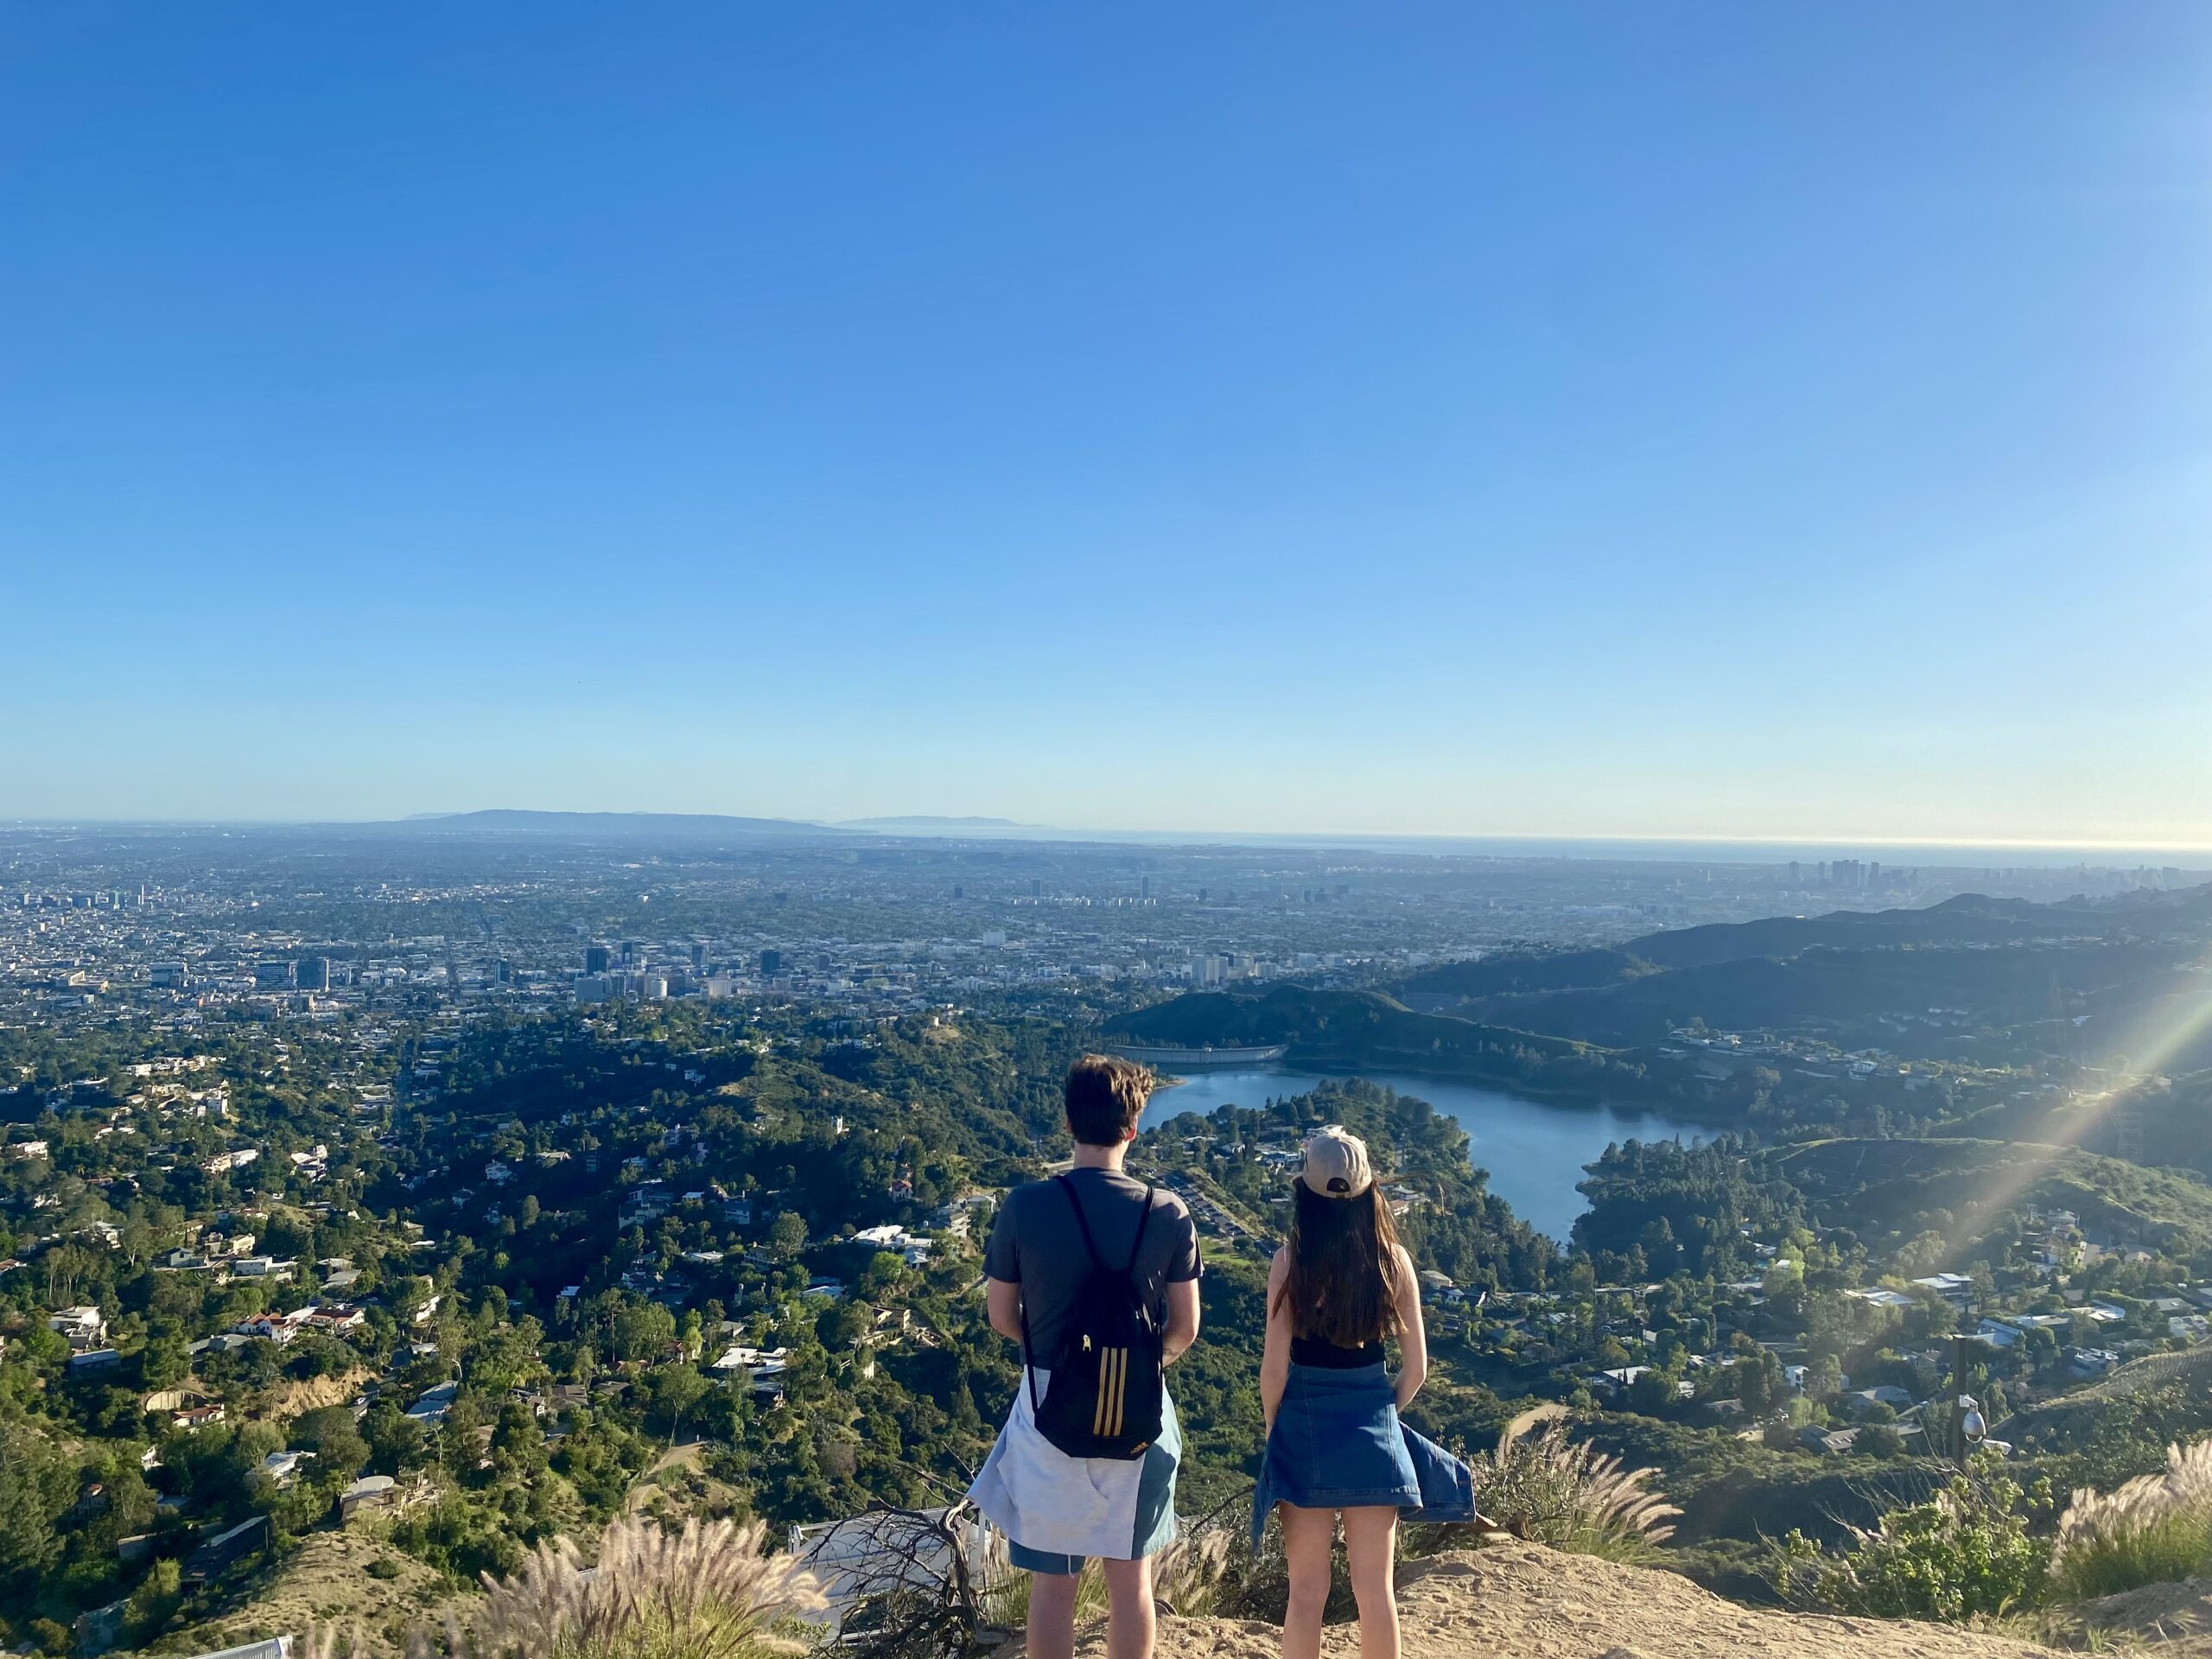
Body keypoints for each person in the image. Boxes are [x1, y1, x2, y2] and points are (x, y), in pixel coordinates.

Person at [969, 1055, 1203, 1659]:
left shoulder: (1026, 1206)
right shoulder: (1169, 1212)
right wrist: (1133, 1368)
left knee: (1054, 1588)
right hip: (1140, 1417)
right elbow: (1185, 1328)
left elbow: (1000, 1315)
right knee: (1133, 1588)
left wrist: (1061, 1357)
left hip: (1050, 1411)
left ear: (1068, 1122)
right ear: (1134, 1128)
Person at [1255, 1124, 1469, 1659]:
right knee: (1376, 1592)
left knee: (1306, 1594)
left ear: (1304, 1191)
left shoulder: (1289, 1262)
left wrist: (1274, 1429)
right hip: (1373, 1434)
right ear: (1371, 1189)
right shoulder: (1393, 1262)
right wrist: (1378, 1415)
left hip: (1303, 1429)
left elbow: (1274, 1370)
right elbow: (1416, 1369)